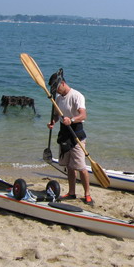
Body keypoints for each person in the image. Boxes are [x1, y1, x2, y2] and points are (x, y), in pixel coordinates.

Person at [47, 69, 94, 206]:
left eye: (57, 88)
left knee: (81, 167)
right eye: (54, 89)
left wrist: (72, 120)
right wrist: (53, 122)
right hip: (64, 134)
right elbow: (57, 114)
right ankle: (71, 192)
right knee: (69, 166)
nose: (56, 91)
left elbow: (83, 115)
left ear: (62, 83)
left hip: (76, 135)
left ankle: (87, 194)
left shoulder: (76, 96)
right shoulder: (58, 98)